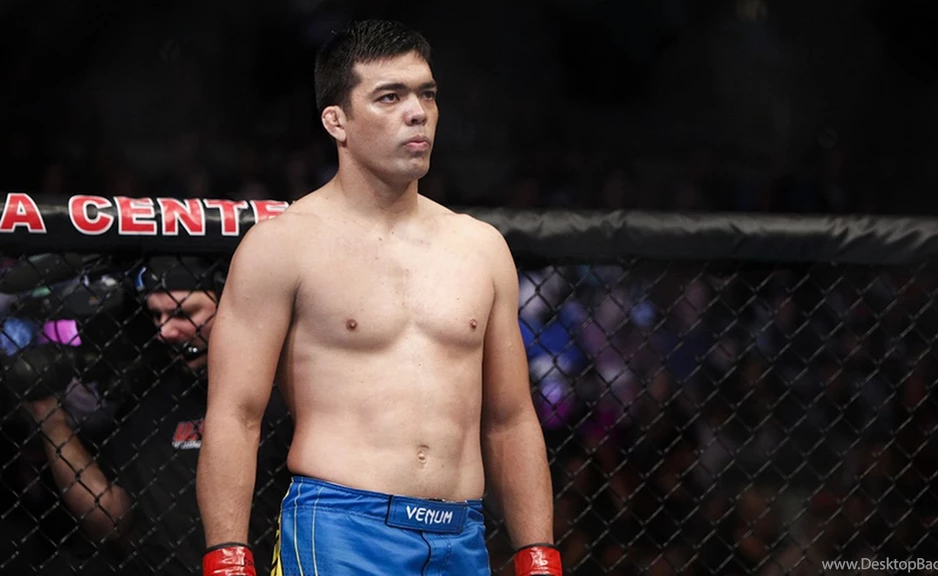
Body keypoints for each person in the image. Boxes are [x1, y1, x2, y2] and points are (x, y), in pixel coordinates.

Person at [196, 19, 563, 576]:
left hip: (462, 535)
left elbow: (511, 418)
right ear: (336, 121)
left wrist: (538, 554)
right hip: (341, 530)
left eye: (427, 94)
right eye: (390, 97)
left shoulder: (481, 248)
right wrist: (227, 555)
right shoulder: (282, 246)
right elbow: (235, 415)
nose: (417, 113)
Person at [21, 257, 292, 575]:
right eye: (156, 315)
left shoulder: (283, 394)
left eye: (183, 314)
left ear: (230, 307)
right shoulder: (150, 399)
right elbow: (110, 523)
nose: (165, 331)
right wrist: (51, 420)